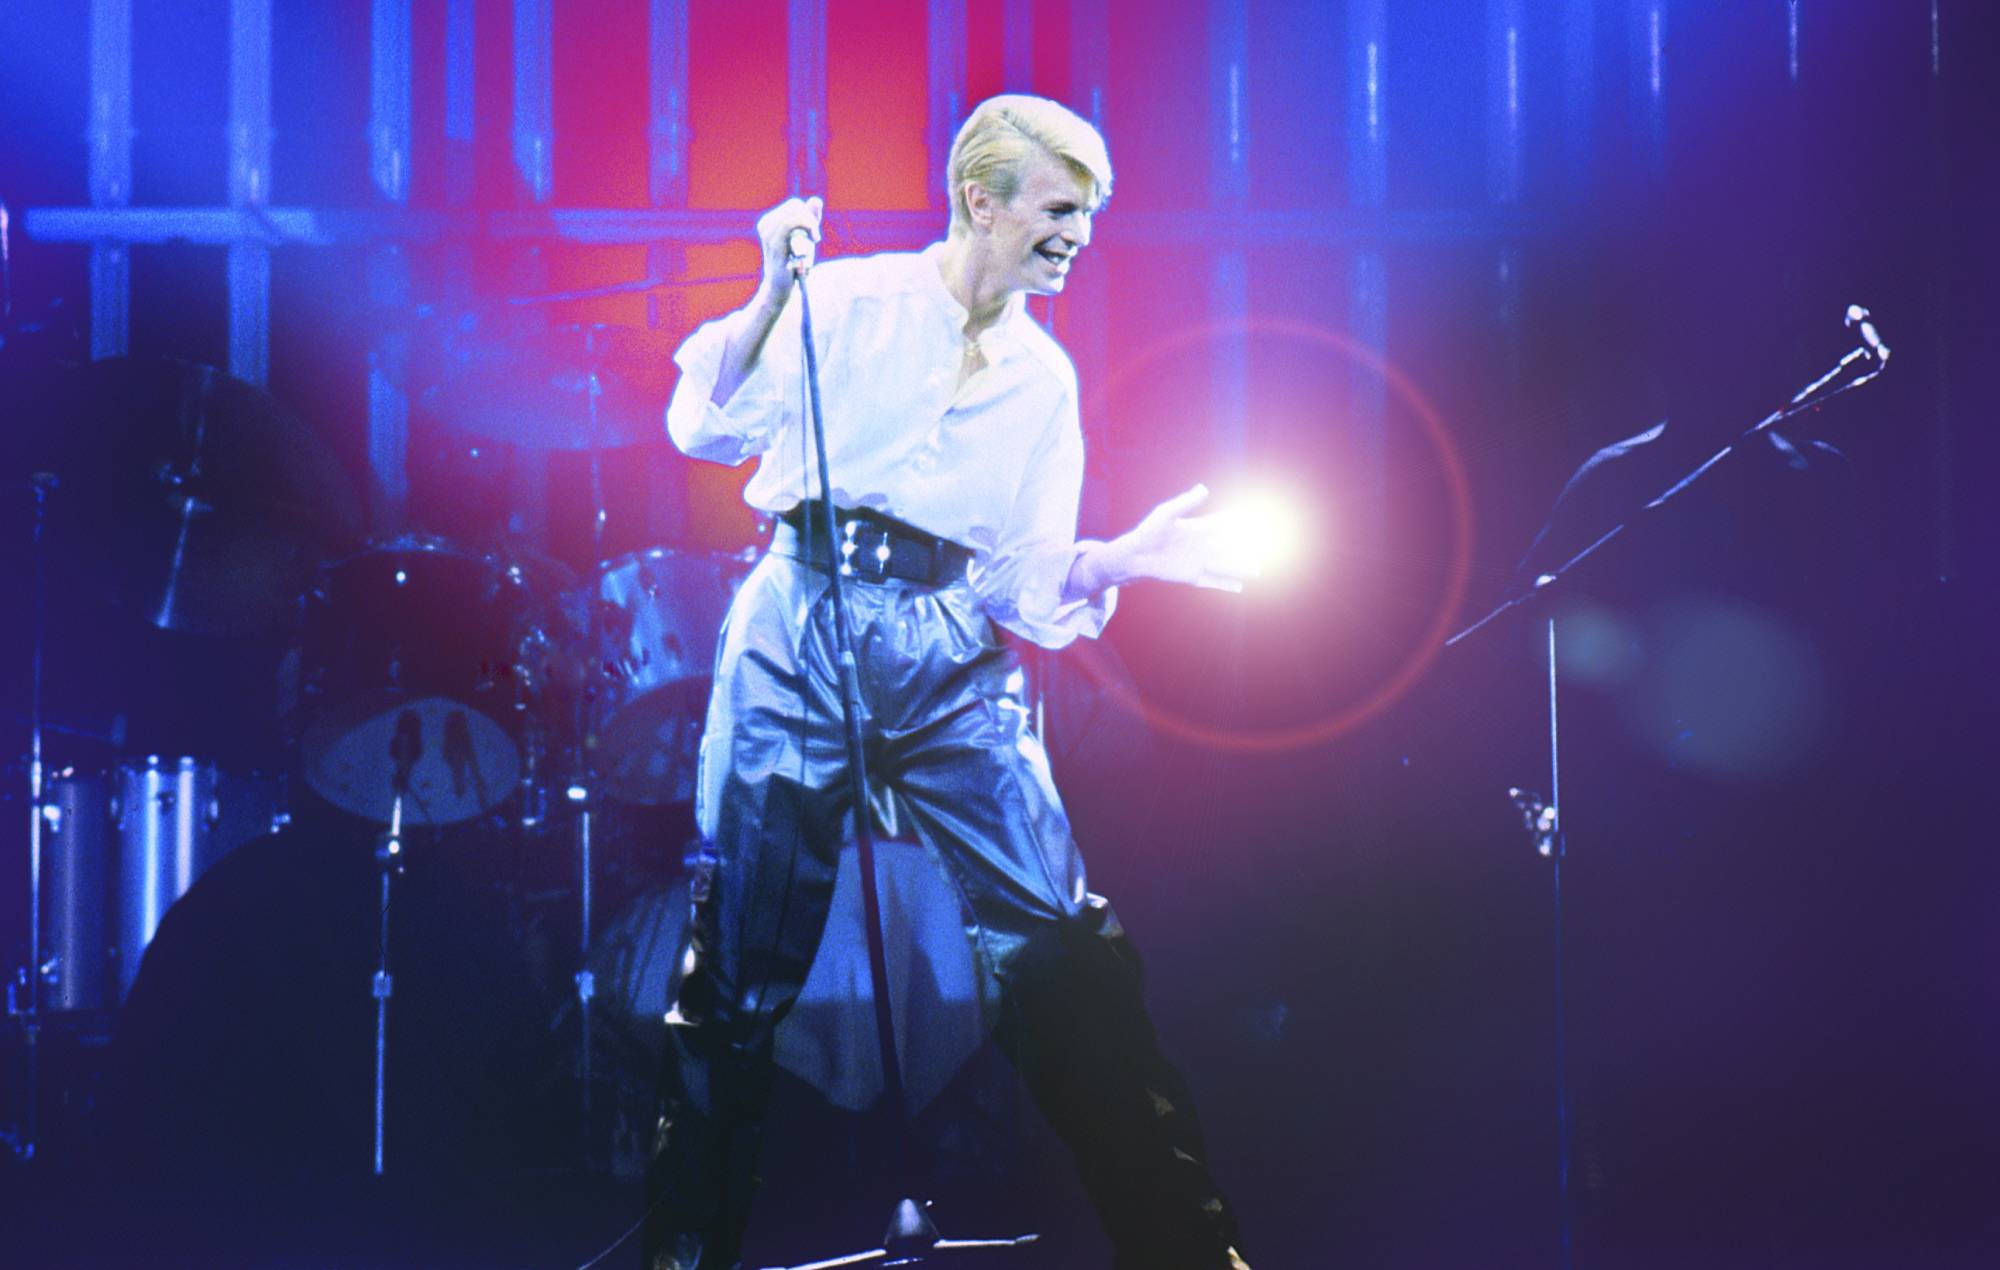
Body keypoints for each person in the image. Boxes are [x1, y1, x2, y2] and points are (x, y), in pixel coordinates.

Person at [647, 94, 1254, 1270]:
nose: (1078, 235)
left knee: (1064, 948)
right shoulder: (846, 301)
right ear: (982, 200)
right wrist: (768, 288)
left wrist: (1112, 560)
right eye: (1059, 209)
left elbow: (1021, 579)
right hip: (798, 619)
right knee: (737, 971)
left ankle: (1190, 1252)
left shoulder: (1042, 380)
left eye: (1089, 214)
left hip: (946, 643)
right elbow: (703, 427)